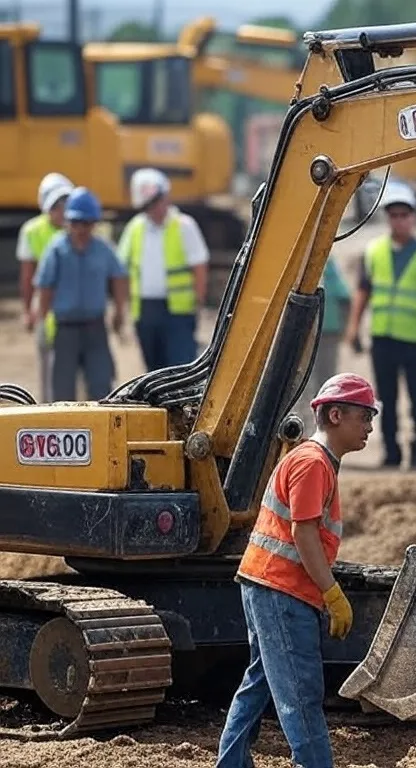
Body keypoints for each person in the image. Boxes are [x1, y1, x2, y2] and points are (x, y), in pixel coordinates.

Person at [216, 373, 378, 768]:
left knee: (261, 682)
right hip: (281, 590)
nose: (370, 427)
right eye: (364, 417)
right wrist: (331, 593)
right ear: (336, 415)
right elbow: (303, 532)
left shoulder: (316, 461)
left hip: (266, 584)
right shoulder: (312, 464)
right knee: (301, 694)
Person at [345, 180, 416, 470]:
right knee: (385, 402)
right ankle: (391, 454)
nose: (399, 220)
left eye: (404, 214)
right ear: (388, 217)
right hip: (383, 339)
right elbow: (362, 292)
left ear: (414, 217)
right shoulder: (374, 252)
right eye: (394, 215)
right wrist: (354, 328)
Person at [32, 187, 128, 402]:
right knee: (62, 392)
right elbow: (45, 286)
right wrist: (41, 321)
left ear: (94, 223)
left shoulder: (103, 249)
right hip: (65, 329)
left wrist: (119, 312)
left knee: (101, 387)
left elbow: (119, 277)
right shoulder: (56, 249)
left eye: (86, 223)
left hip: (95, 328)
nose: (80, 229)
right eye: (75, 223)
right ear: (68, 222)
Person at [118, 167, 210, 372]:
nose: (156, 208)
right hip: (146, 310)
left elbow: (199, 266)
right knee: (154, 371)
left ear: (166, 197)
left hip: (178, 311)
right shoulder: (135, 228)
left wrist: (199, 301)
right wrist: (122, 309)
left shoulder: (184, 225)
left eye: (157, 201)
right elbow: (121, 269)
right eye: (149, 205)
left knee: (180, 368)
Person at [17, 172, 74, 402]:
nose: (62, 210)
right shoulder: (32, 231)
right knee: (50, 374)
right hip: (46, 311)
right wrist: (27, 311)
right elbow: (27, 275)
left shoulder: (80, 228)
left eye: (65, 203)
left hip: (74, 313)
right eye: (57, 205)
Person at [300, 256, 352, 437]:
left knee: (324, 384)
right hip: (306, 334)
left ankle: (320, 431)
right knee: (306, 386)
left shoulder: (327, 264)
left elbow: (345, 298)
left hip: (326, 333)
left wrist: (345, 329)